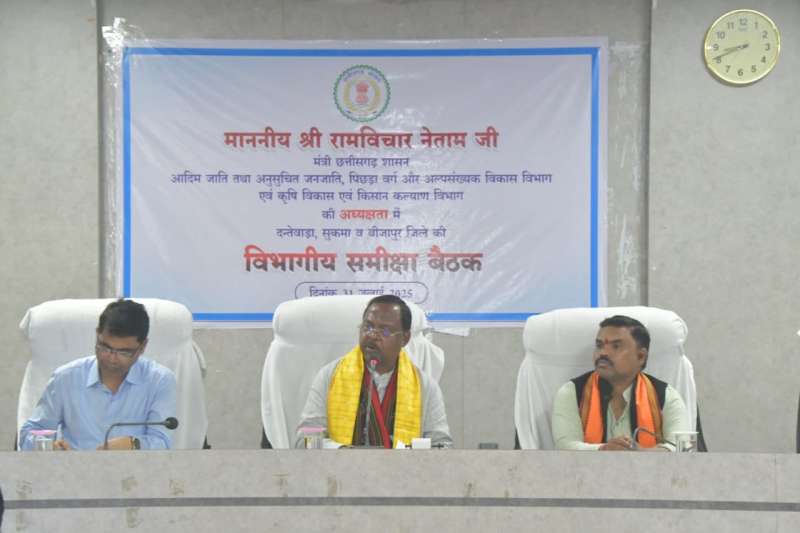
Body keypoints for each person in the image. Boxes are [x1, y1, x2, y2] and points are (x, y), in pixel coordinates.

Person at [295, 295, 452, 448]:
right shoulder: (330, 376)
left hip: (402, 466)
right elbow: (305, 440)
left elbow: (442, 446)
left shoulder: (425, 387)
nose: (372, 335)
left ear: (405, 338)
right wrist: (340, 451)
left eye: (385, 331)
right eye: (368, 327)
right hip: (340, 465)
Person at [19, 299, 177, 450]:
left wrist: (133, 444)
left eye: (124, 352)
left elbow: (162, 442)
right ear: (97, 335)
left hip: (135, 468)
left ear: (143, 347)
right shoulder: (66, 378)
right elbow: (30, 433)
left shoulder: (159, 381)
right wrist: (50, 447)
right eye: (105, 347)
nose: (112, 358)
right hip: (75, 467)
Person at [551, 315, 689, 451]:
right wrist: (604, 449)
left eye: (616, 346)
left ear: (641, 356)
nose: (603, 353)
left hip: (649, 466)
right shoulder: (573, 393)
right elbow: (565, 447)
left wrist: (643, 453)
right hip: (586, 467)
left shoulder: (666, 396)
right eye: (599, 345)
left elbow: (682, 448)